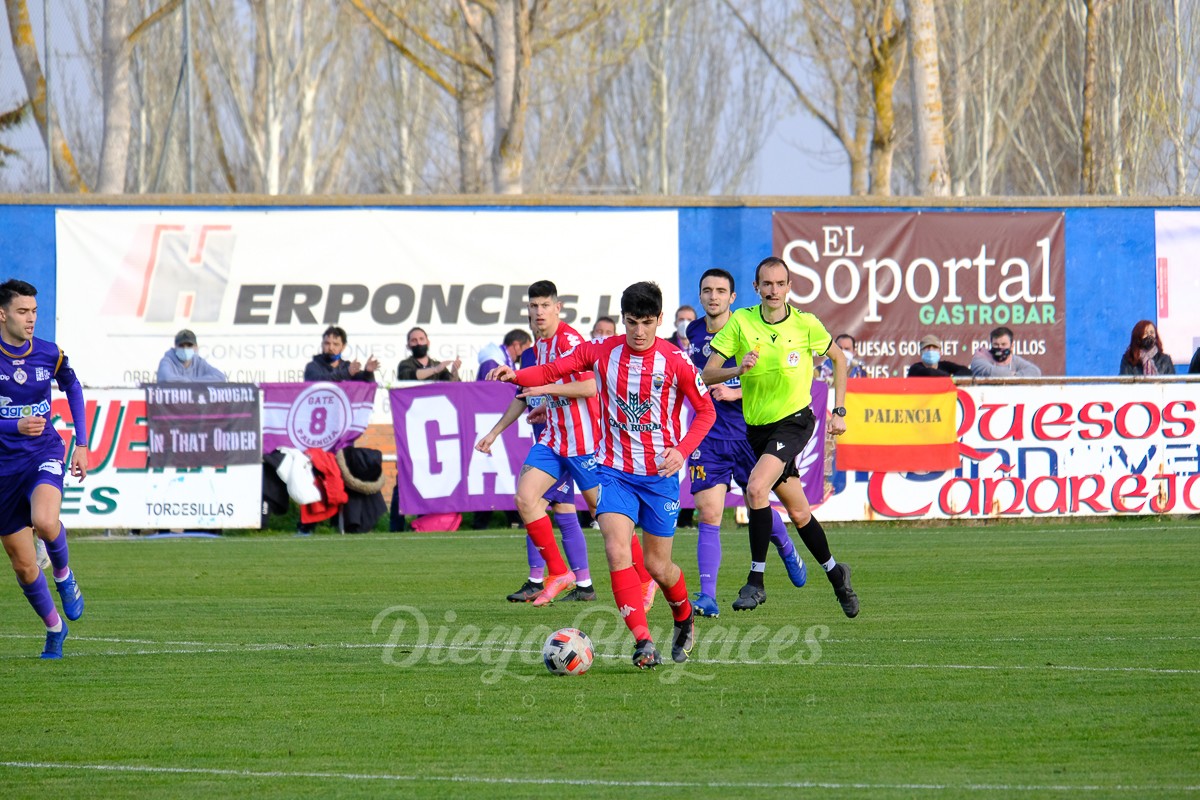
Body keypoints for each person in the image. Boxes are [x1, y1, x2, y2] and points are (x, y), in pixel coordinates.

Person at [496, 281, 717, 668]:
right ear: (623, 319)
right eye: (632, 322)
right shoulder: (602, 352)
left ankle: (684, 617)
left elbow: (706, 412)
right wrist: (516, 376)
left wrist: (681, 452)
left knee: (658, 566)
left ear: (659, 320)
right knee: (616, 550)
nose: (639, 331)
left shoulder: (677, 361)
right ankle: (643, 641)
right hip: (614, 471)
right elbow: (553, 369)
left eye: (647, 323)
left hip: (659, 476)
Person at [702, 256, 859, 618]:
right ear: (757, 288)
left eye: (780, 283)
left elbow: (839, 359)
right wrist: (737, 369)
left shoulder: (806, 324)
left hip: (795, 421)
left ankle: (755, 582)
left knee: (756, 489)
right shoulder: (741, 321)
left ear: (789, 287)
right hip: (757, 429)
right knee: (800, 512)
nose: (774, 290)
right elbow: (707, 374)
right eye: (767, 284)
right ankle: (838, 575)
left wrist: (839, 411)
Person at [685, 268, 808, 618]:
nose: (713, 296)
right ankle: (707, 596)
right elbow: (695, 378)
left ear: (733, 298)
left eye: (720, 291)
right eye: (707, 290)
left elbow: (770, 379)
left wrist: (734, 391)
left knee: (760, 503)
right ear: (700, 295)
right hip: (707, 436)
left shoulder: (747, 327)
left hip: (749, 432)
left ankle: (785, 545)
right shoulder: (693, 332)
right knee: (709, 512)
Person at [476, 280, 603, 607]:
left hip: (584, 442)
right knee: (527, 498)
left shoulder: (569, 341)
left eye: (545, 305)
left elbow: (589, 388)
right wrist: (494, 432)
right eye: (534, 307)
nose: (539, 312)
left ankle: (643, 580)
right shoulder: (538, 347)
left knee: (605, 515)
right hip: (553, 440)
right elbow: (524, 394)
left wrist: (547, 394)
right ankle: (559, 573)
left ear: (558, 307)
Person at [0, 279, 89, 658]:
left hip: (43, 453)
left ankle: (65, 577)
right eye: (23, 311)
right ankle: (55, 629)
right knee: (23, 566)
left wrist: (81, 444)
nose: (31, 318)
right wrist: (12, 426)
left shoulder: (49, 353)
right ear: (2, 315)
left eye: (34, 311)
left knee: (46, 521)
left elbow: (72, 386)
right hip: (4, 470)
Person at [304, 326, 379, 382]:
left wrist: (368, 372)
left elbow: (367, 385)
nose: (331, 348)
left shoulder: (347, 366)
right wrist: (347, 373)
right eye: (327, 343)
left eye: (335, 344)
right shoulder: (312, 367)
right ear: (322, 344)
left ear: (343, 346)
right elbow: (322, 381)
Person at [156, 329, 227, 383]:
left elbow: (220, 377)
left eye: (189, 345)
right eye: (181, 346)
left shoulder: (199, 362)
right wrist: (193, 383)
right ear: (175, 347)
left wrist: (191, 383)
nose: (185, 349)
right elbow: (166, 378)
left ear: (196, 347)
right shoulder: (167, 361)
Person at [970, 326, 1041, 377]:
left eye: (1003, 344)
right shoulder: (981, 356)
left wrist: (1015, 376)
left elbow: (1035, 372)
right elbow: (989, 372)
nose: (1000, 347)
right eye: (996, 344)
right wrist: (1012, 375)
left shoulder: (1013, 359)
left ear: (1012, 346)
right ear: (991, 345)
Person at [908, 334, 972, 378]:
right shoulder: (914, 368)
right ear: (921, 352)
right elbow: (929, 372)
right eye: (927, 348)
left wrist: (953, 378)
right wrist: (950, 378)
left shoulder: (945, 365)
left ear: (940, 352)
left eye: (934, 348)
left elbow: (966, 371)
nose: (931, 350)